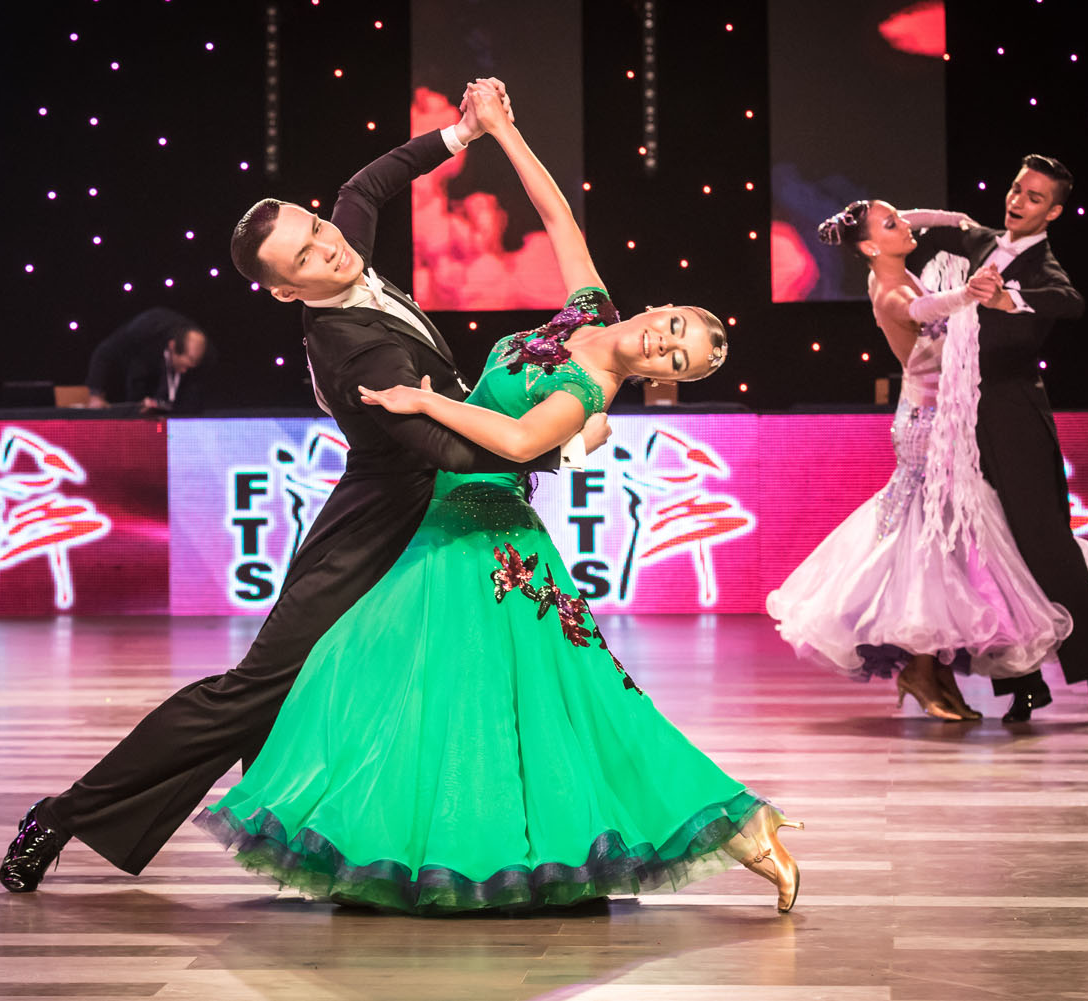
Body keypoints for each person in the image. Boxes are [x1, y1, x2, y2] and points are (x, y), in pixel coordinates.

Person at [194, 82, 804, 916]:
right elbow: (558, 216)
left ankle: (737, 828)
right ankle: (394, 837)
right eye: (677, 329)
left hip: (491, 536)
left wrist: (425, 401)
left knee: (535, 706)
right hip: (443, 522)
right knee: (400, 684)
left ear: (666, 378)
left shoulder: (593, 381)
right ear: (663, 307)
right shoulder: (587, 314)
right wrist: (502, 132)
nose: (666, 346)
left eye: (680, 362)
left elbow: (515, 444)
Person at [0, 80, 607, 893]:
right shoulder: (355, 355)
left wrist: (460, 135)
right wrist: (553, 442)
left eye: (318, 232)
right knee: (252, 694)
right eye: (307, 257)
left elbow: (364, 187)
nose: (330, 248)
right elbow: (447, 453)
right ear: (286, 289)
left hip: (432, 513)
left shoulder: (339, 245)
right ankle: (63, 814)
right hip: (378, 528)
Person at [766, 199, 1088, 722]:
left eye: (902, 217)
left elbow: (948, 226)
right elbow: (916, 313)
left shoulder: (898, 266)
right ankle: (923, 669)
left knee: (946, 543)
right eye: (891, 224)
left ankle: (933, 668)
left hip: (946, 418)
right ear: (869, 246)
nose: (905, 226)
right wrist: (965, 295)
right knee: (931, 540)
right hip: (926, 425)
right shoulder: (892, 287)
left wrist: (925, 218)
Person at [901, 155, 1088, 723]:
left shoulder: (1044, 264)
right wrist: (874, 220)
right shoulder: (979, 241)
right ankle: (1022, 685)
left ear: (1053, 210)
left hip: (1013, 411)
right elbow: (936, 221)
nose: (1017, 200)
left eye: (1032, 196)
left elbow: (1072, 303)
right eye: (1016, 188)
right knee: (984, 551)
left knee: (1043, 541)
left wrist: (1009, 299)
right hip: (960, 413)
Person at [85, 307, 208, 413]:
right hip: (135, 381)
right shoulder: (144, 330)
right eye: (184, 366)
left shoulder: (204, 355)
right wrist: (96, 395)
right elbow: (104, 353)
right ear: (172, 346)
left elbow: (193, 401)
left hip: (167, 403)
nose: (185, 371)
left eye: (191, 367)